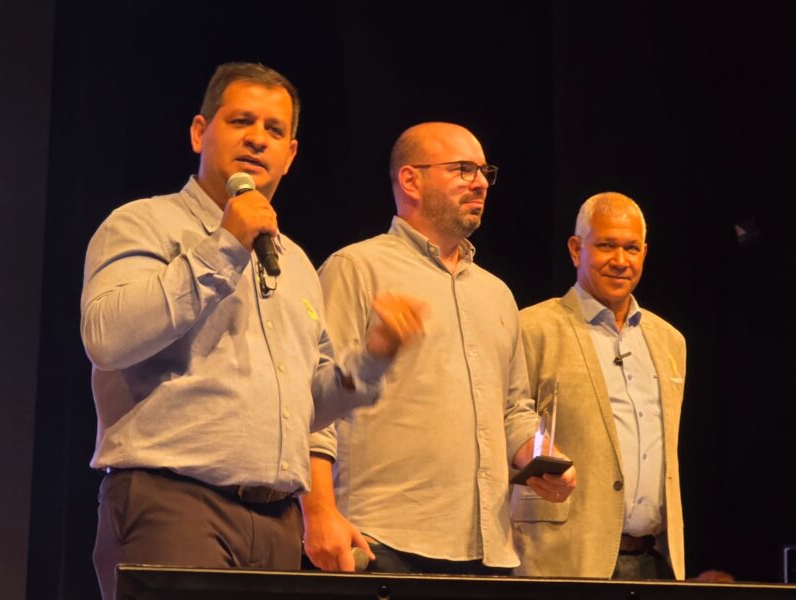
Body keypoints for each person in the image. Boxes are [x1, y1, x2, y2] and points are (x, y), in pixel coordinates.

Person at [81, 62, 423, 598]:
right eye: (242, 121)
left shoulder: (296, 263)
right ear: (200, 132)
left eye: (274, 130)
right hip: (174, 504)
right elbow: (107, 338)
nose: (258, 139)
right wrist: (224, 245)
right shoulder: (142, 224)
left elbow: (307, 407)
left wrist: (373, 357)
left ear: (290, 154)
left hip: (276, 522)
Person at [300, 122, 576, 574]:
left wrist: (542, 457)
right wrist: (319, 512)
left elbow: (513, 411)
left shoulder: (496, 293)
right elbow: (311, 410)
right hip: (382, 540)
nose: (481, 182)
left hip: (487, 549)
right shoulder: (355, 268)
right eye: (463, 169)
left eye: (484, 171)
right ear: (411, 180)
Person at [511, 192, 686, 580]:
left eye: (631, 248)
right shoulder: (532, 328)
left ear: (644, 253)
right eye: (606, 245)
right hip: (561, 559)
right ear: (576, 250)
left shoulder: (670, 340)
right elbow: (505, 424)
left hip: (654, 562)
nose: (621, 260)